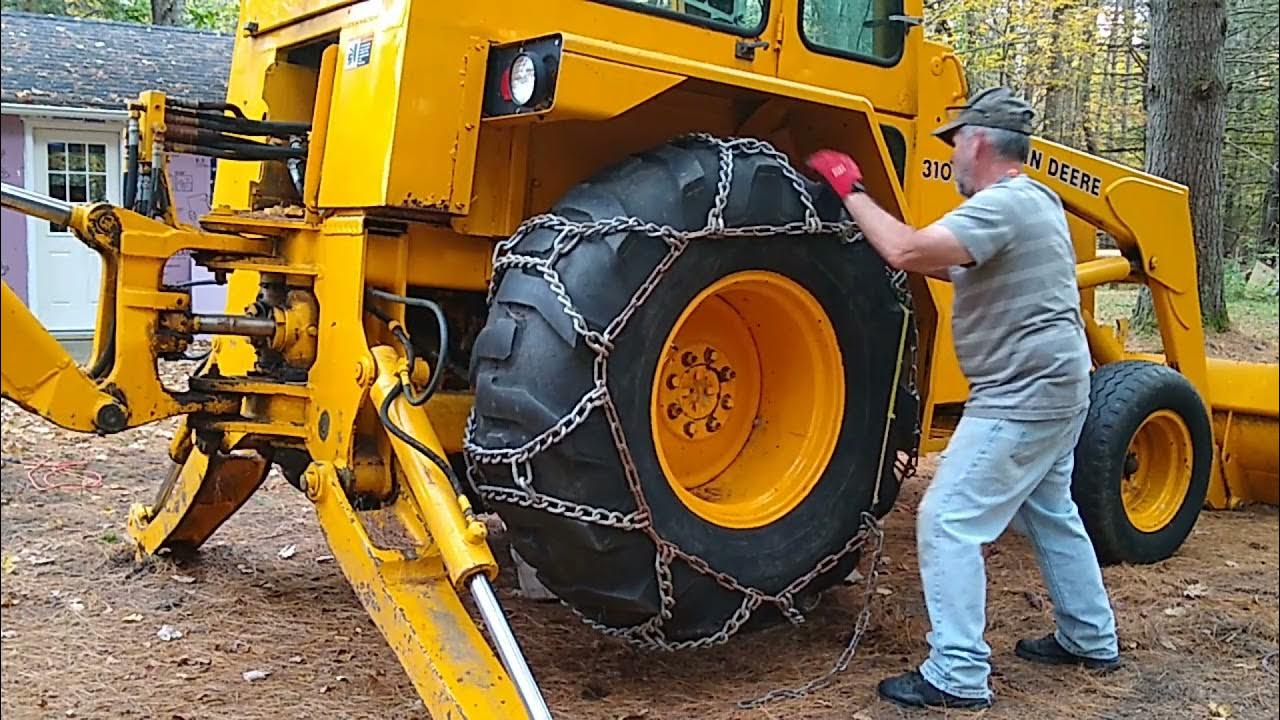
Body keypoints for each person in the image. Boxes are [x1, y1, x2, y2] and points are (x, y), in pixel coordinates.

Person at [805, 87, 1121, 710]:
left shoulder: (1003, 204)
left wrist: (851, 189)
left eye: (955, 144)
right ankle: (1090, 636)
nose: (950, 156)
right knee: (1051, 511)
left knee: (947, 519)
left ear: (977, 141)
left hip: (1022, 396)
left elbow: (907, 250)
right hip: (1058, 387)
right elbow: (949, 263)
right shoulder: (1035, 203)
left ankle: (957, 672)